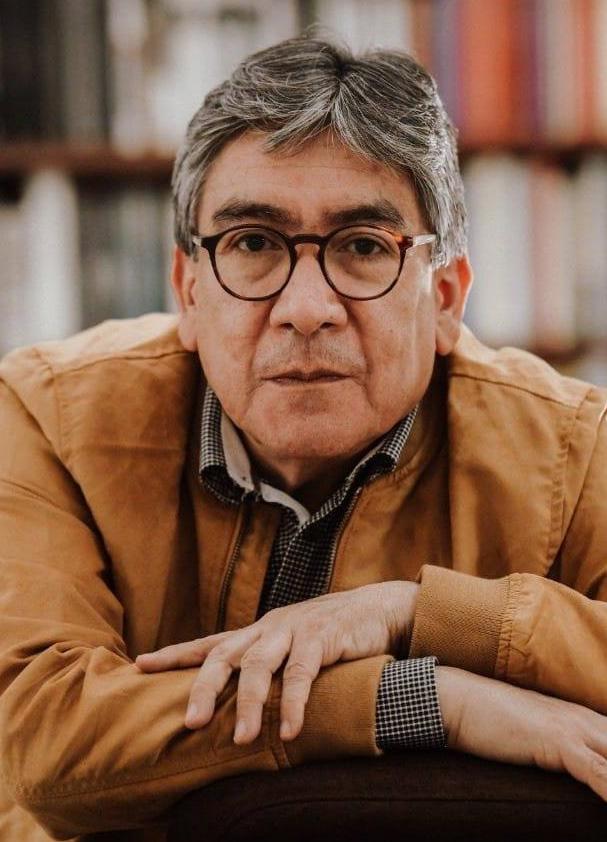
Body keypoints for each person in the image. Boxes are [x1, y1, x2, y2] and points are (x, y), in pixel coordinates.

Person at [1, 34, 607, 842]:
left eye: (362, 248)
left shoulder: (572, 446)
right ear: (188, 292)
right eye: (253, 244)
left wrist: (413, 613)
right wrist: (420, 698)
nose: (306, 309)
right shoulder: (47, 414)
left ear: (445, 299)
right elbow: (40, 747)